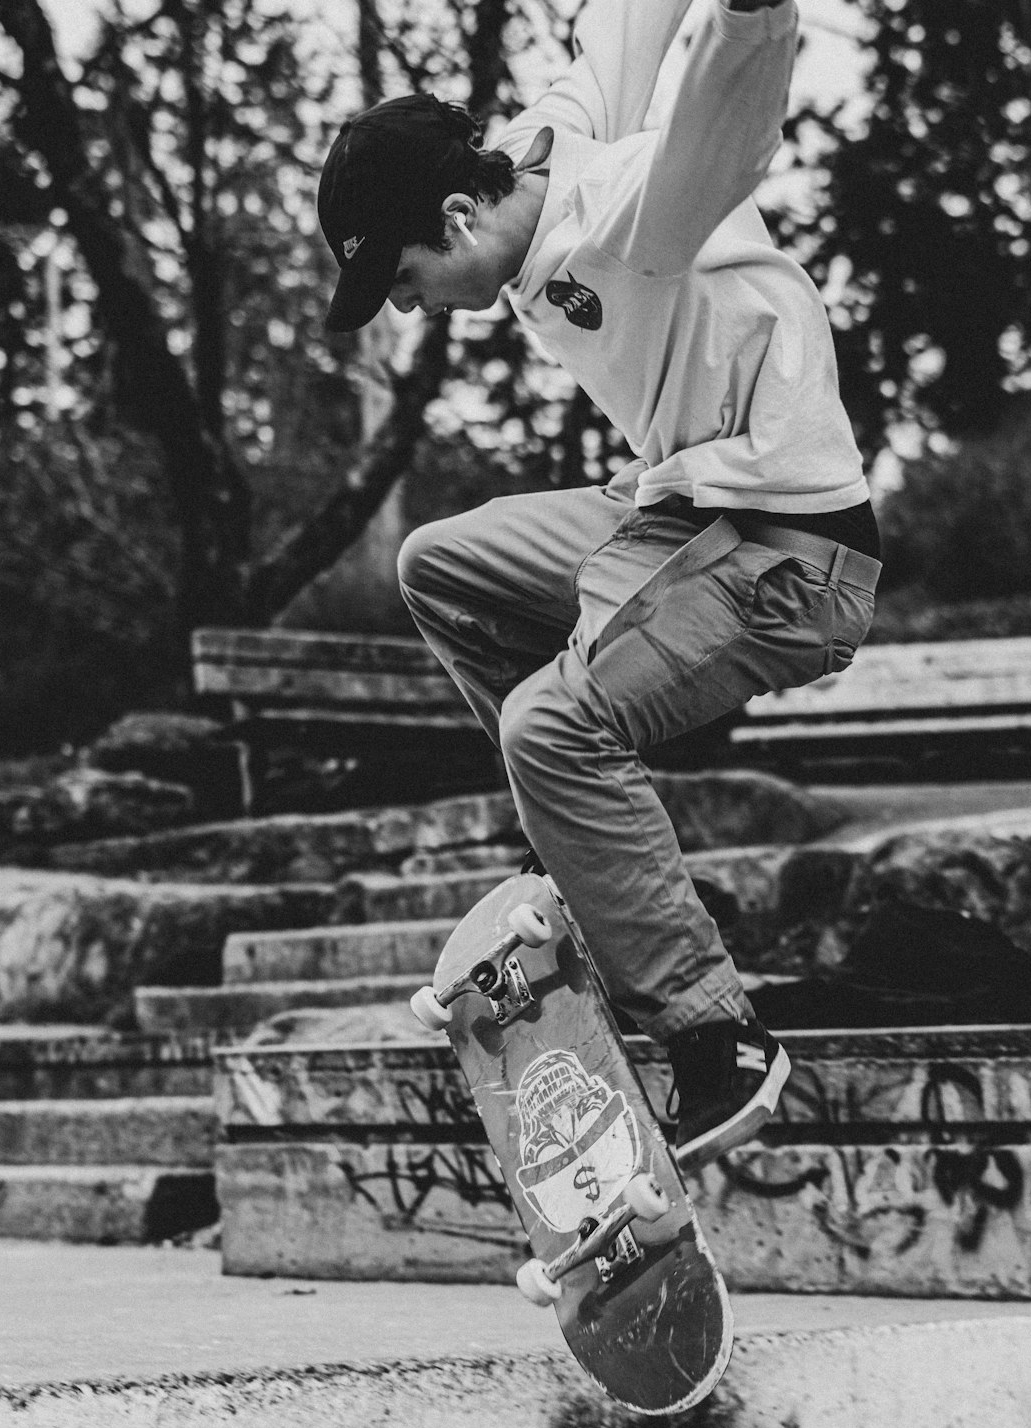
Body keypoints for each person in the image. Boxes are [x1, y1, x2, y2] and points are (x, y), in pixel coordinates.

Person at [316, 0, 881, 1166]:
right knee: (442, 566)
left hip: (788, 555)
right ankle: (581, 858)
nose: (413, 306)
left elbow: (719, 126)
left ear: (460, 218)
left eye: (409, 281)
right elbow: (618, 36)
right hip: (679, 512)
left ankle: (717, 1033)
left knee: (551, 725)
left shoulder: (634, 214)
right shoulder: (529, 159)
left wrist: (754, 12)